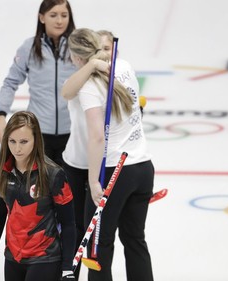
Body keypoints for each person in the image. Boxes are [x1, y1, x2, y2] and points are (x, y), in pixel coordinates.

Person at [62, 28, 155, 281]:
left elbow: (97, 137)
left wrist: (93, 181)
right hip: (143, 167)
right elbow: (67, 91)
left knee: (98, 248)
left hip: (115, 171)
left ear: (77, 58)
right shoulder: (124, 66)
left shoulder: (90, 87)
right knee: (135, 239)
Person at [0, 111, 76, 281]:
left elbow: (69, 223)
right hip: (13, 257)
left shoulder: (54, 174)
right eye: (12, 141)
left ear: (36, 140)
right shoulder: (1, 170)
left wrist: (67, 268)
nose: (17, 148)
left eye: (24, 142)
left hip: (45, 258)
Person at [0, 0, 77, 166]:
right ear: (42, 17)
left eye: (64, 15)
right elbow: (10, 82)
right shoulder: (29, 47)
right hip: (39, 133)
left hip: (73, 134)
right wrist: (1, 115)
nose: (59, 21)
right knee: (38, 190)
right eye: (53, 15)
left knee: (69, 191)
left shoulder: (77, 48)